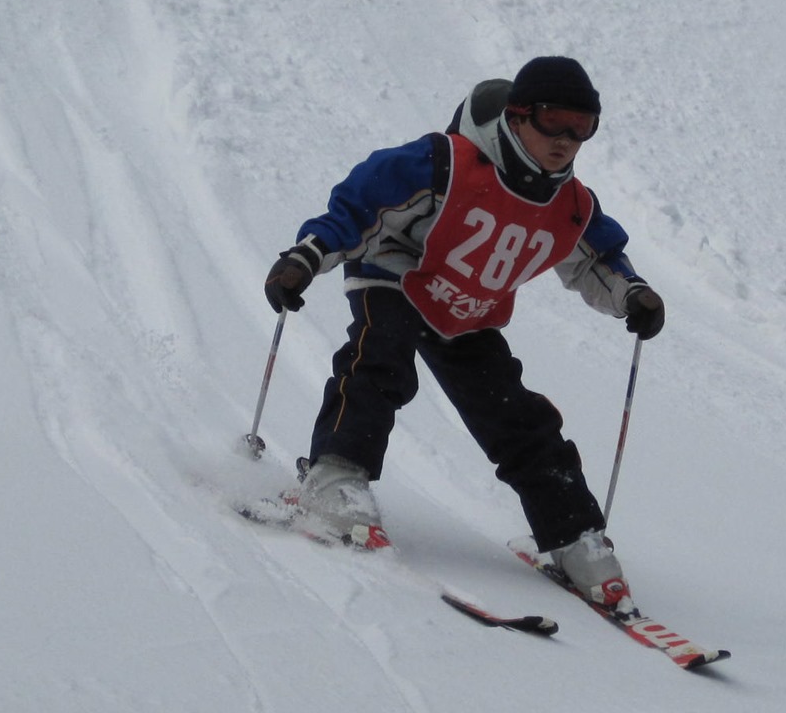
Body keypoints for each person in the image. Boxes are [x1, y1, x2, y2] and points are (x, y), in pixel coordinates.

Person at [263, 56, 664, 605]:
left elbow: (599, 260)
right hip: (397, 274)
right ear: (518, 115)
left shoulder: (569, 206)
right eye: (553, 121)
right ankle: (334, 477)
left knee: (514, 414)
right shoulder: (444, 164)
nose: (566, 140)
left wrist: (632, 295)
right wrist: (305, 258)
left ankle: (575, 535)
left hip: (468, 304)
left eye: (582, 127)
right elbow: (359, 204)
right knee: (380, 357)